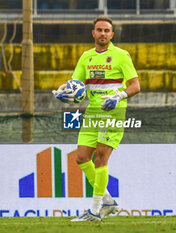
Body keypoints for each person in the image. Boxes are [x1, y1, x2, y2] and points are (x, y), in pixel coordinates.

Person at [53, 16, 140, 222]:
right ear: (93, 33)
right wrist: (61, 91)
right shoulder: (86, 57)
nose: (103, 34)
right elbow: (75, 85)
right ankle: (108, 201)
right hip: (92, 112)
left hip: (113, 112)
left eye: (106, 31)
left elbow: (135, 86)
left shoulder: (121, 55)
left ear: (112, 34)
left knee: (101, 158)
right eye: (99, 30)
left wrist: (118, 96)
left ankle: (94, 211)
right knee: (81, 158)